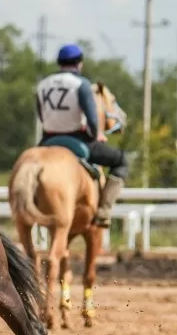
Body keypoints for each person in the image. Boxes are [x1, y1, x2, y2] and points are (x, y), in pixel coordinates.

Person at [36, 44, 128, 227]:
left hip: (47, 141)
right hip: (77, 139)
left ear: (59, 63)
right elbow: (93, 120)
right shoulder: (82, 85)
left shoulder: (42, 85)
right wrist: (95, 135)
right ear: (79, 64)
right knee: (121, 160)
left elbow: (41, 115)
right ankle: (104, 210)